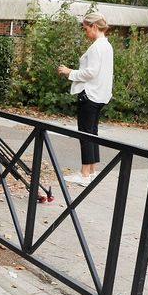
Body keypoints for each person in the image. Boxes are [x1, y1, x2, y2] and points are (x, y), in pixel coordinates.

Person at [58, 11, 114, 186]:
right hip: (100, 95)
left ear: (94, 26)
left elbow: (91, 72)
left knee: (85, 133)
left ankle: (84, 174)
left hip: (90, 95)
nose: (85, 32)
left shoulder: (98, 46)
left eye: (86, 29)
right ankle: (91, 171)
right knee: (92, 133)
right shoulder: (107, 46)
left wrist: (70, 72)